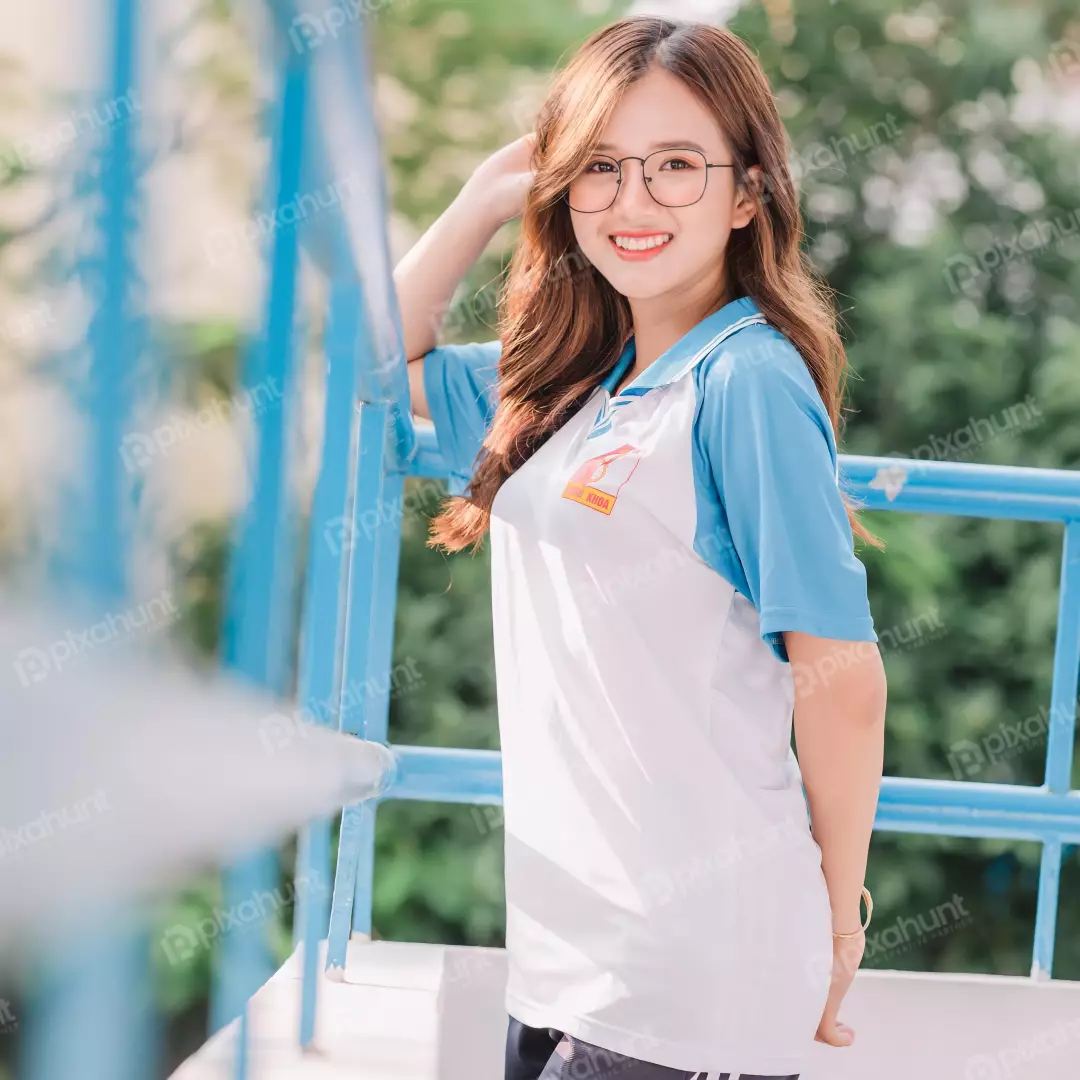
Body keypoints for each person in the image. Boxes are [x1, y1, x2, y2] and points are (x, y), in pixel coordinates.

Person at [395, 15, 887, 1080]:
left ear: (748, 192)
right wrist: (486, 197)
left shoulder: (746, 381)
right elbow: (360, 359)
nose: (633, 203)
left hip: (696, 965)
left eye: (676, 168)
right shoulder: (573, 379)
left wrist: (840, 921)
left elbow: (841, 677)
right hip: (568, 943)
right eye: (602, 169)